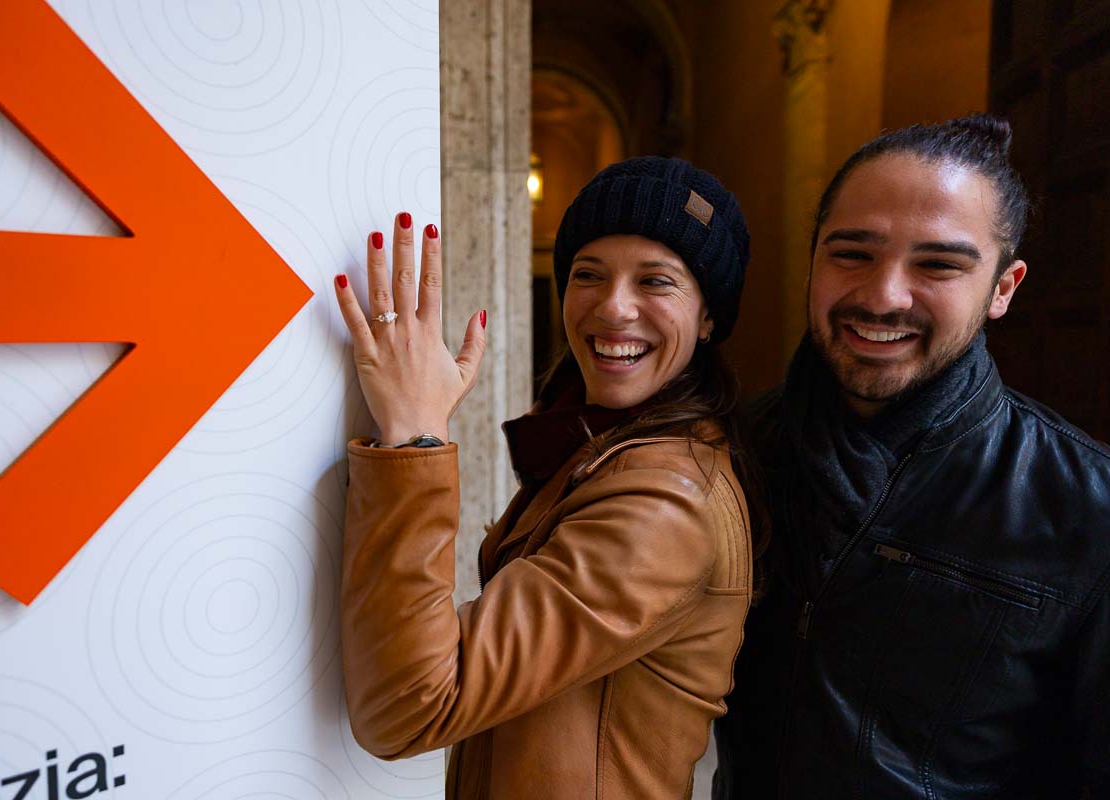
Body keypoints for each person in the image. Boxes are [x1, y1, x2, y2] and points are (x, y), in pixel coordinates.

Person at [333, 157, 763, 798]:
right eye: (588, 274)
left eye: (656, 281)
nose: (614, 307)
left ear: (707, 319)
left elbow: (407, 708)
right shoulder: (599, 445)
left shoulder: (668, 502)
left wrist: (416, 436)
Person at [713, 115, 1110, 798]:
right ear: (812, 259)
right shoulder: (729, 454)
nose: (883, 295)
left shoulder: (1089, 506)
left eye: (938, 264)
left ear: (1004, 287)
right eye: (852, 254)